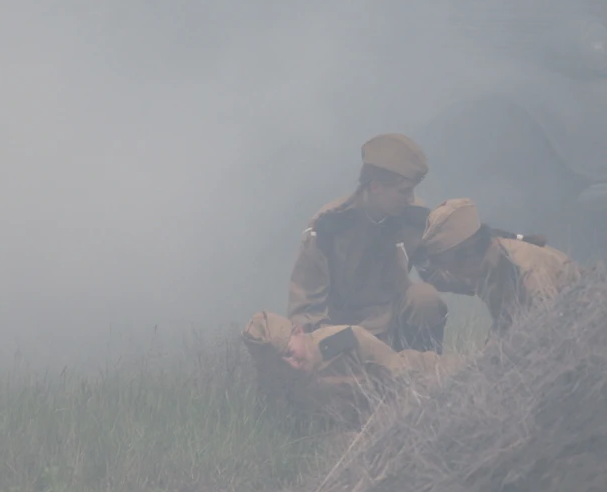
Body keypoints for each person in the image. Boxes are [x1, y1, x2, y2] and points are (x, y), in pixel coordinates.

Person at [287, 133, 448, 352]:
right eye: (403, 191)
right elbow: (305, 308)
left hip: (394, 327)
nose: (410, 198)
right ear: (375, 187)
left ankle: (424, 367)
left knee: (425, 298)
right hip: (343, 336)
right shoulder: (329, 227)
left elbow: (441, 272)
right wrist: (328, 346)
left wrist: (477, 249)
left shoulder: (413, 218)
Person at [242, 309, 462, 430]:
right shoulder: (276, 386)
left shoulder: (343, 341)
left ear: (298, 331)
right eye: (280, 364)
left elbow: (398, 374)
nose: (291, 365)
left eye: (290, 353)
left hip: (418, 375)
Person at [413, 198, 582, 335]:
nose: (446, 271)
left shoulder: (528, 273)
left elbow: (549, 330)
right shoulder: (483, 261)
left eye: (445, 264)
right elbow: (441, 279)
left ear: (467, 254)